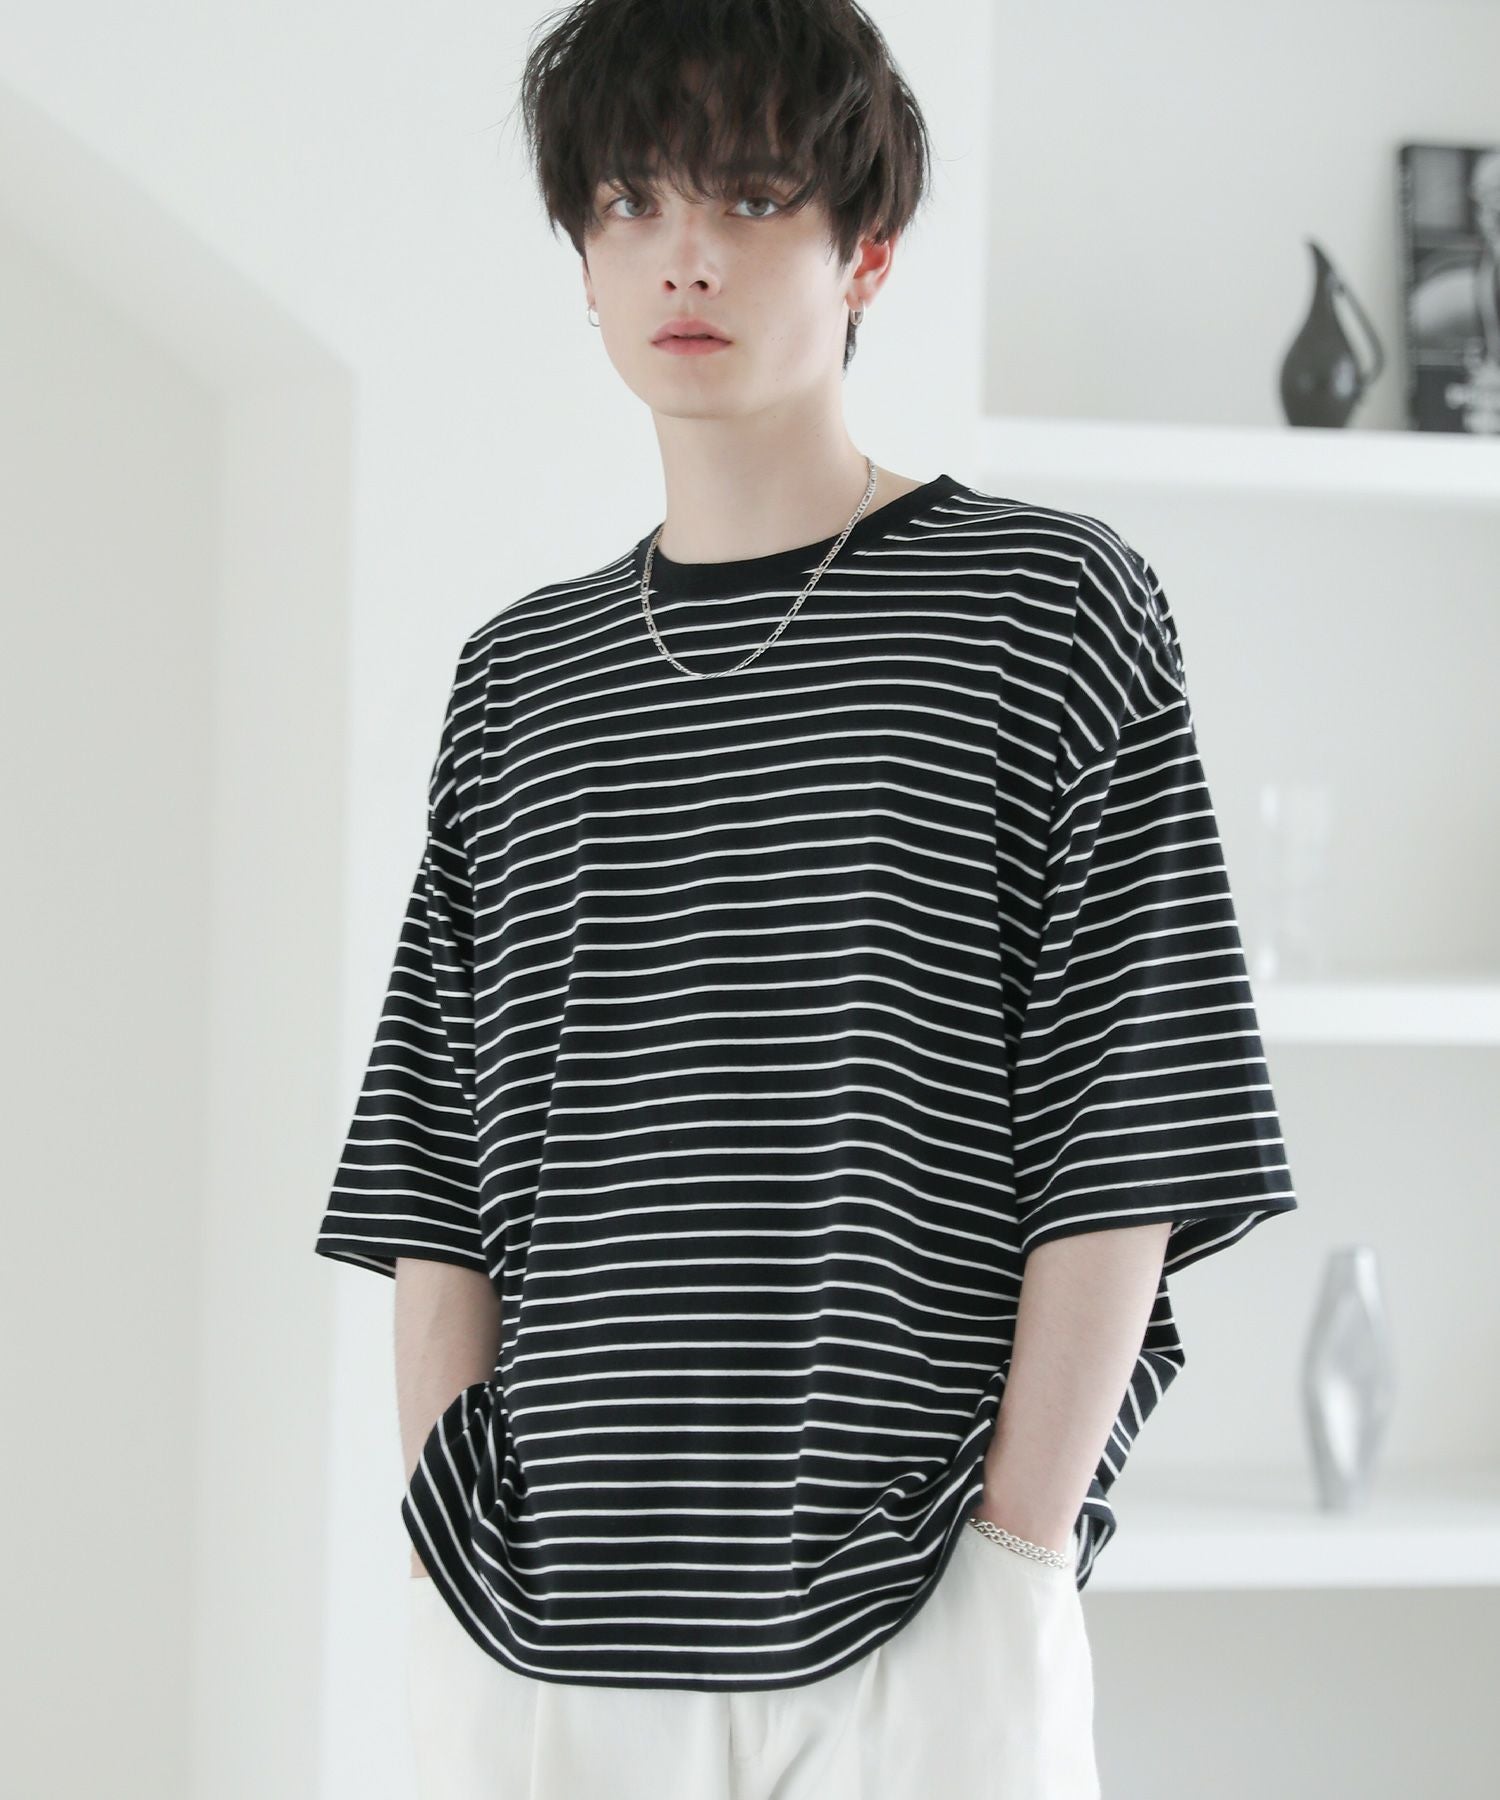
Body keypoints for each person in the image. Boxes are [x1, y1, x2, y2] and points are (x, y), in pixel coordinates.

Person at [313, 2, 1300, 1794]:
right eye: (630, 201)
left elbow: (1132, 1117)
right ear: (583, 259)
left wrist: (1012, 1557)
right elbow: (434, 1162)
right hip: (540, 1638)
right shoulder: (521, 679)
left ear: (870, 249)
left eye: (754, 197)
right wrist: (451, 1539)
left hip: (919, 1619)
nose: (684, 254)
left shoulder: (1046, 608)